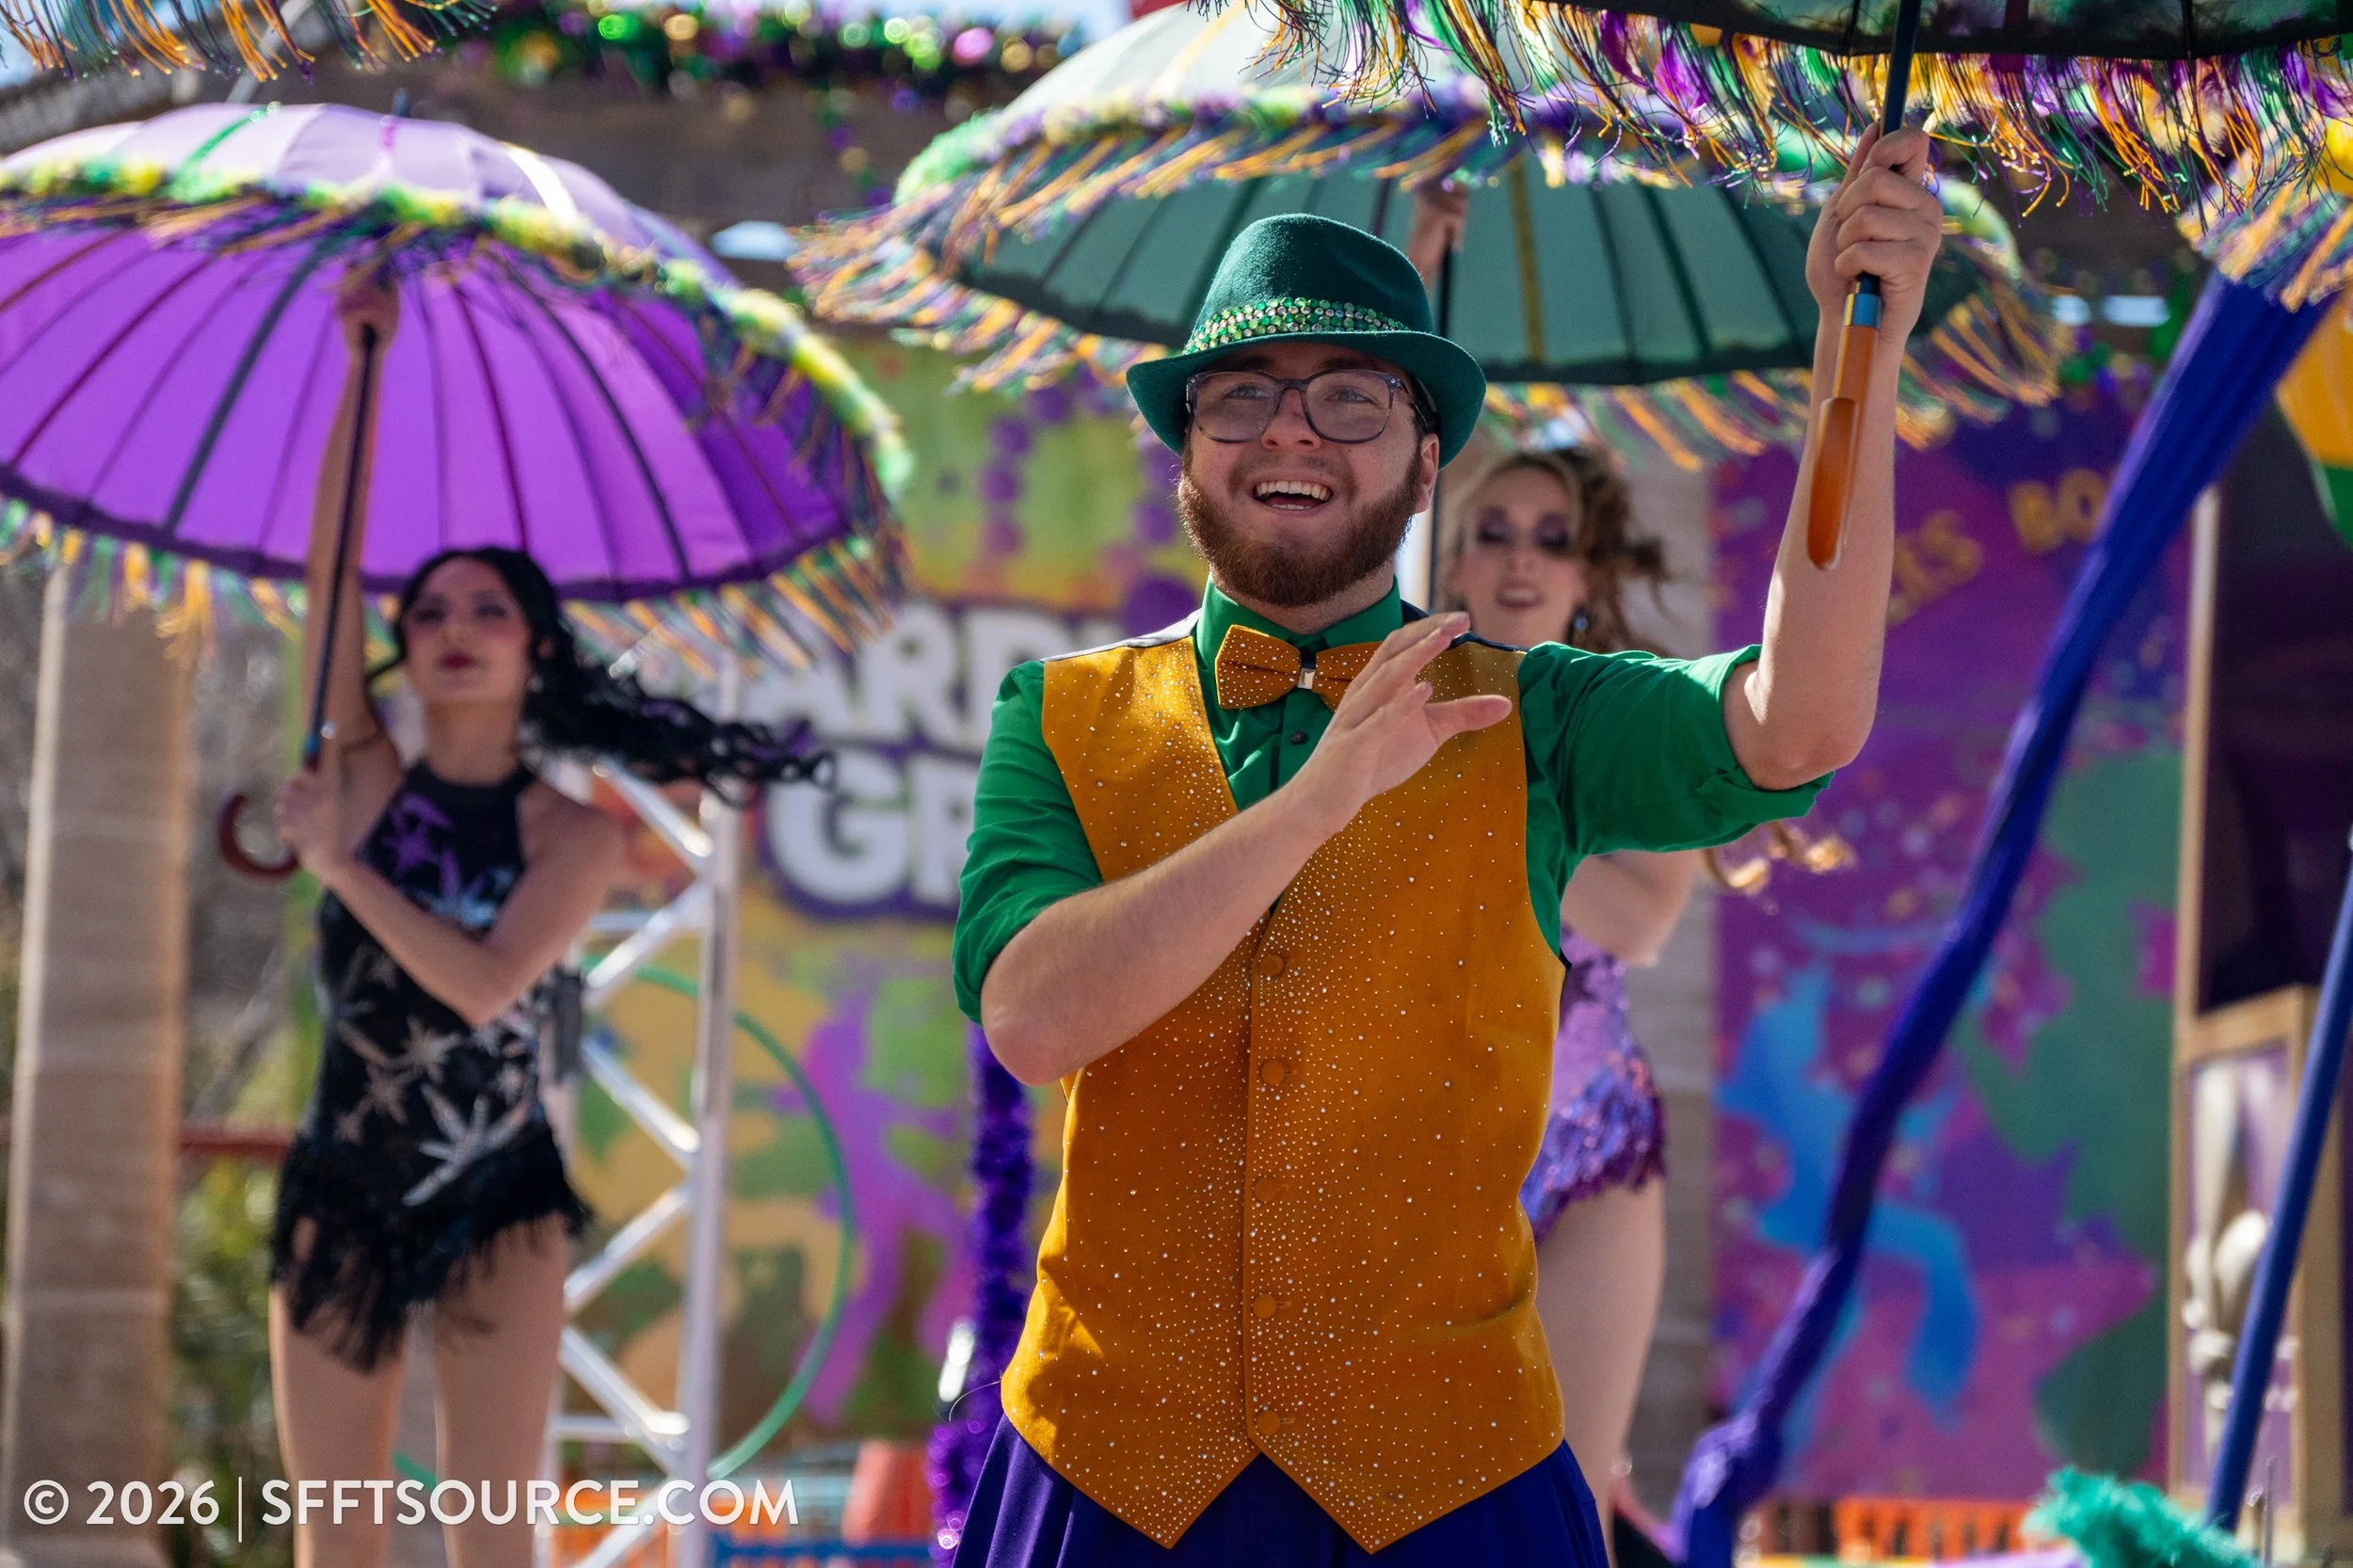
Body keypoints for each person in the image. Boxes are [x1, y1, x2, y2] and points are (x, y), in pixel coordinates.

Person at [951, 125, 1943, 1567]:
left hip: (1451, 1492)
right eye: (1244, 396)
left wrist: (1861, 361)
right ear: (1188, 448)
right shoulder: (1059, 712)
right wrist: (1315, 801)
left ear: (1425, 462)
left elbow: (1801, 723)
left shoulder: (1536, 714)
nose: (1290, 430)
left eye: (1351, 400)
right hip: (1109, 1480)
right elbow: (1035, 1016)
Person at [265, 276, 822, 1568]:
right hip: (343, 1178)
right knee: (334, 1535)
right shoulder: (356, 764)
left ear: (534, 650)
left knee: (493, 1538)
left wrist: (339, 870)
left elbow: (482, 983)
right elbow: (330, 561)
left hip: (497, 1194)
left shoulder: (570, 833)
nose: (454, 628)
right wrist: (362, 362)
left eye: (488, 610)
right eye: (432, 611)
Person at [1436, 445, 1698, 1558]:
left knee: (1562, 1503)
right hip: (1425, 1150)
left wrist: (1501, 772)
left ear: (1588, 573)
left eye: (1552, 538)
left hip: (1588, 1145)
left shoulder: (1633, 713)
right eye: (1491, 529)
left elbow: (1641, 921)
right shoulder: (1372, 702)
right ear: (1444, 557)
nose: (1520, 560)